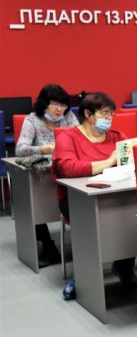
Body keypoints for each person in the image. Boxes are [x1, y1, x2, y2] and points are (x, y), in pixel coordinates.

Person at [52, 92, 137, 300]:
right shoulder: (68, 137)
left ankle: (124, 266)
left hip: (115, 195)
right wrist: (108, 162)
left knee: (134, 216)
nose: (109, 118)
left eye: (111, 114)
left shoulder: (118, 137)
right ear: (88, 114)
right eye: (104, 113)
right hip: (76, 200)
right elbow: (67, 168)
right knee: (94, 224)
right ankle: (83, 276)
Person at [16, 84, 78, 268]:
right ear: (44, 103)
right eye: (55, 104)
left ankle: (82, 243)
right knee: (34, 204)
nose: (59, 109)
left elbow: (80, 138)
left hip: (65, 171)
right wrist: (43, 149)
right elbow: (20, 149)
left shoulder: (68, 117)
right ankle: (48, 246)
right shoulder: (32, 120)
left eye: (63, 105)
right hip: (40, 175)